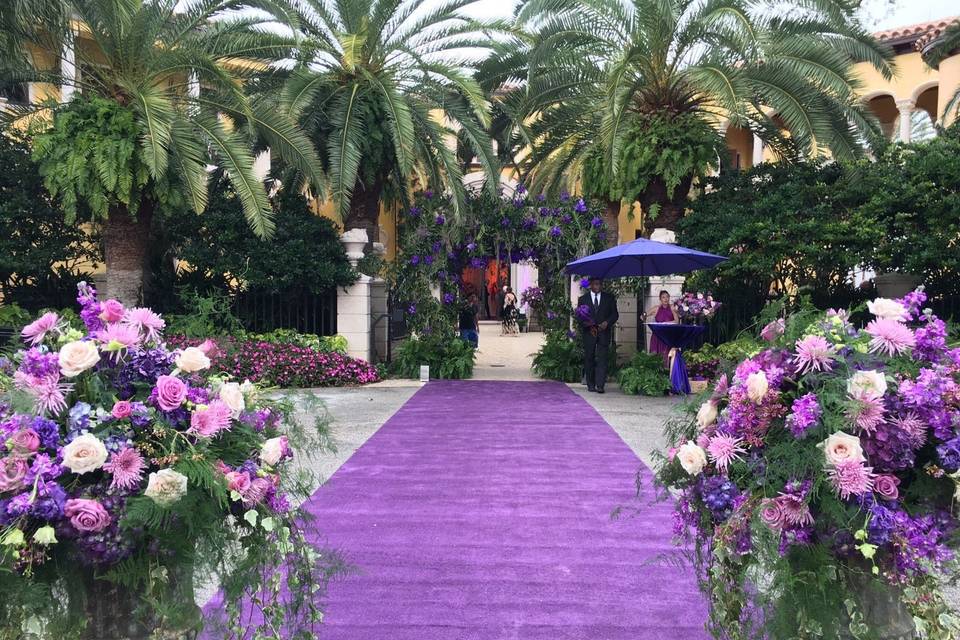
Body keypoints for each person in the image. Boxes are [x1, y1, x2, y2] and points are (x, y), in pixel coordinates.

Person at [577, 277, 619, 393]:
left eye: (600, 284)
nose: (598, 286)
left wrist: (607, 322)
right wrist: (588, 323)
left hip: (603, 331)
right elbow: (579, 317)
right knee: (589, 357)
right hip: (589, 332)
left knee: (602, 358)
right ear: (590, 285)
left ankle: (600, 385)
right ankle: (590, 384)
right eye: (595, 284)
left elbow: (615, 314)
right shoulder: (583, 299)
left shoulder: (609, 298)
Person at [645, 289, 679, 365]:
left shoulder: (672, 307)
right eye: (663, 297)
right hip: (657, 335)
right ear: (660, 299)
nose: (666, 299)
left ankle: (667, 371)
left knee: (666, 354)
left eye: (667, 297)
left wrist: (666, 323)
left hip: (668, 335)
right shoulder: (656, 308)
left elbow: (676, 321)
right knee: (655, 355)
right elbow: (644, 315)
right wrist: (643, 316)